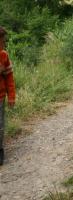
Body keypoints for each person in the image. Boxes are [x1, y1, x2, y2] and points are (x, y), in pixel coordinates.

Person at [0, 27, 16, 166]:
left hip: (0, 97)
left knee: (0, 126)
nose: (4, 44)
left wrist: (11, 97)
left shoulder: (3, 56)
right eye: (2, 41)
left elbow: (9, 78)